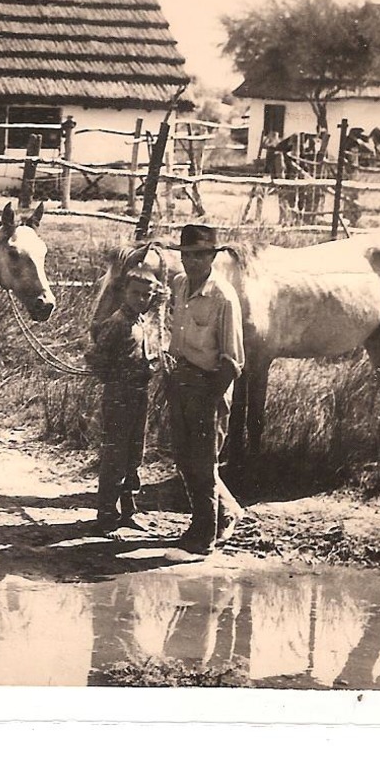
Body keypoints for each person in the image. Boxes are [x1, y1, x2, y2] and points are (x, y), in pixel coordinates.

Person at [163, 223, 247, 555]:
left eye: (200, 256)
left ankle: (203, 536)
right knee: (184, 459)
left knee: (203, 462)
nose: (193, 262)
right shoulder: (180, 285)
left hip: (208, 384)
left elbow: (231, 360)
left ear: (212, 257)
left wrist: (211, 398)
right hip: (179, 380)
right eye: (187, 256)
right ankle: (213, 519)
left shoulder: (224, 297)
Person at [88, 263, 161, 535]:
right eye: (135, 293)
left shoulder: (142, 322)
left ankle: (128, 511)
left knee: (134, 455)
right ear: (124, 293)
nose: (141, 299)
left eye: (146, 295)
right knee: (115, 456)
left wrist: (150, 365)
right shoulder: (118, 322)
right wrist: (114, 378)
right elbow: (95, 357)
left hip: (139, 396)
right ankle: (106, 515)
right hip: (119, 397)